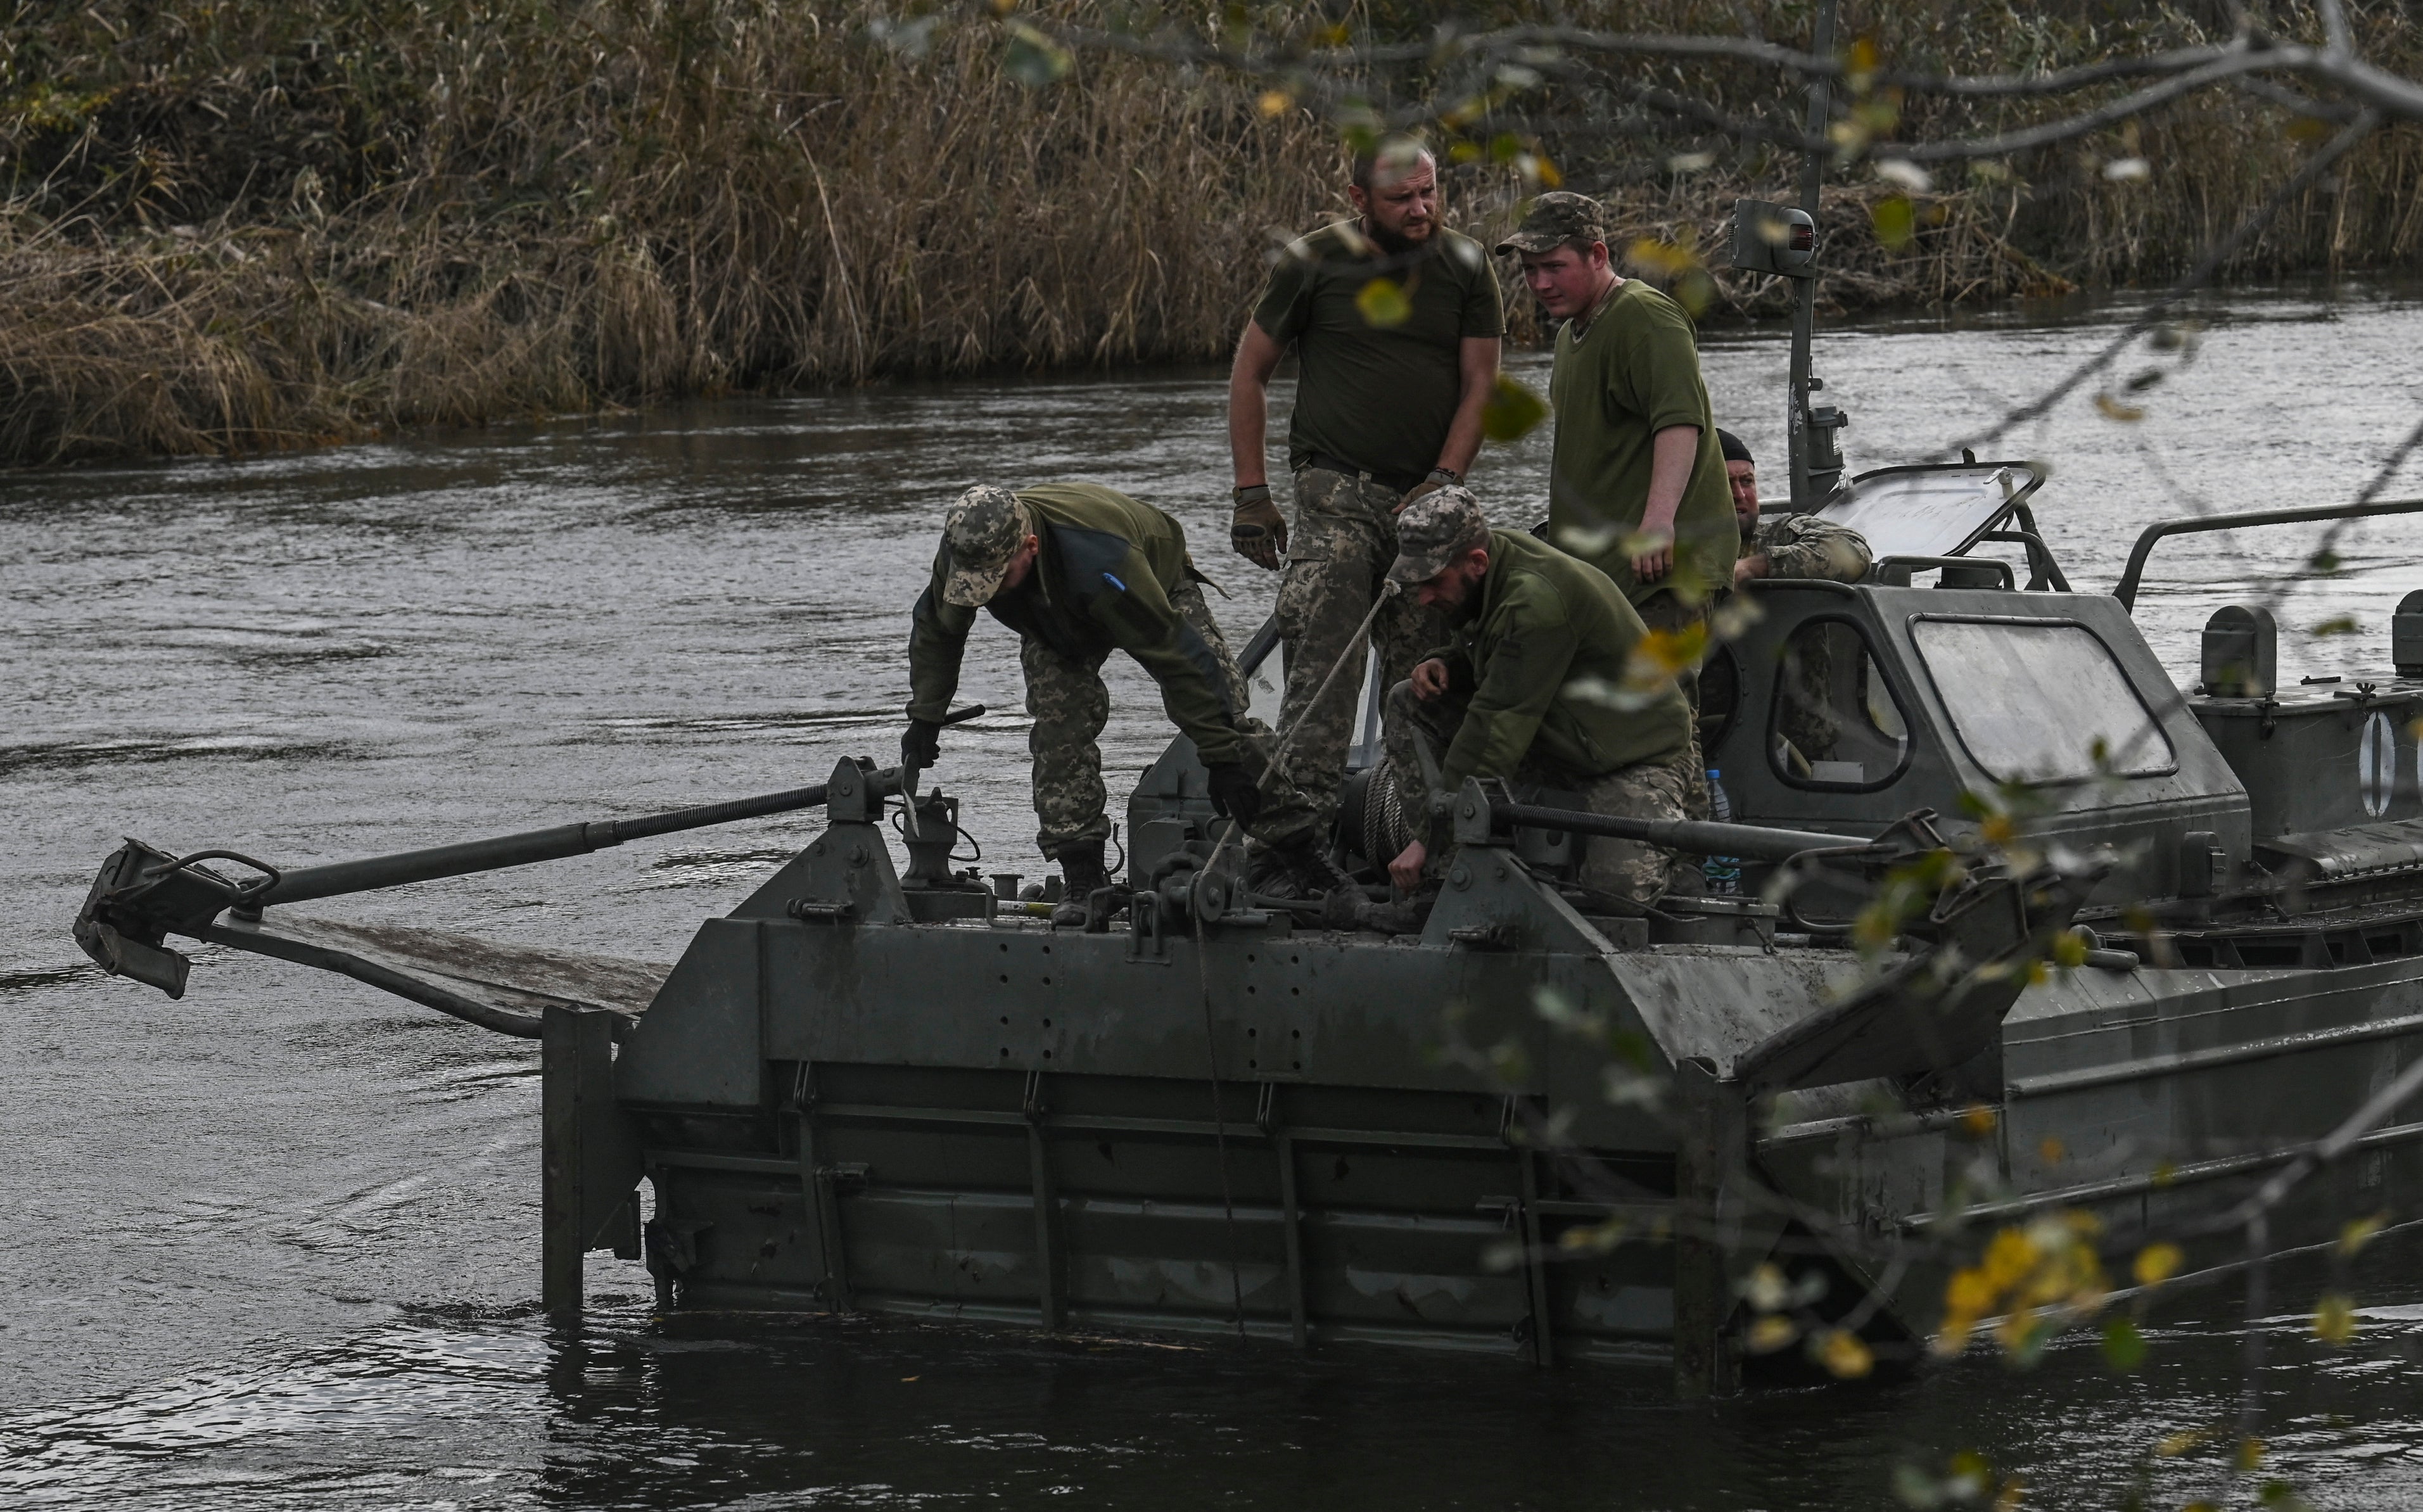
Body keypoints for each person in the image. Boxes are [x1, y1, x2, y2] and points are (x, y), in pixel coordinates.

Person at [1226, 135, 1504, 866]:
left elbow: (1482, 383)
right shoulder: (1315, 260)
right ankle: (1294, 850)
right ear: (1358, 202)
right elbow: (1250, 372)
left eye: (1429, 192)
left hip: (1426, 506)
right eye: (1401, 198)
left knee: (1429, 682)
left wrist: (1446, 478)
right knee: (1324, 671)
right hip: (1336, 491)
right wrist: (1251, 493)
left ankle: (1435, 851)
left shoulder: (1467, 266)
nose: (1421, 209)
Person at [904, 483, 1352, 926]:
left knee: (1225, 717)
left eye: (998, 579)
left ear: (1031, 546)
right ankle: (1083, 874)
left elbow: (1178, 659)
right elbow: (938, 631)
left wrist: (1219, 755)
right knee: (1059, 731)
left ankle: (1299, 851)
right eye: (979, 585)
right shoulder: (967, 553)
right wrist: (926, 715)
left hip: (1153, 581)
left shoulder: (1102, 562)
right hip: (1052, 620)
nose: (989, 593)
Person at [1375, 487, 1698, 915]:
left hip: (1633, 755)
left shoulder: (1535, 598)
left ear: (1476, 563)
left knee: (1615, 895)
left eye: (1433, 582)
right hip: (1558, 734)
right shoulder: (1491, 562)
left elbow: (1495, 727)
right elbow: (1498, 652)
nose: (1423, 597)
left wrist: (1427, 837)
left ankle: (1683, 857)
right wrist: (1447, 662)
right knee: (1409, 701)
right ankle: (1448, 870)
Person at [1717, 429, 1872, 586]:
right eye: (1724, 483)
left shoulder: (1777, 537)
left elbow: (1854, 551)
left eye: (1747, 481)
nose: (1740, 495)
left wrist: (1753, 567)